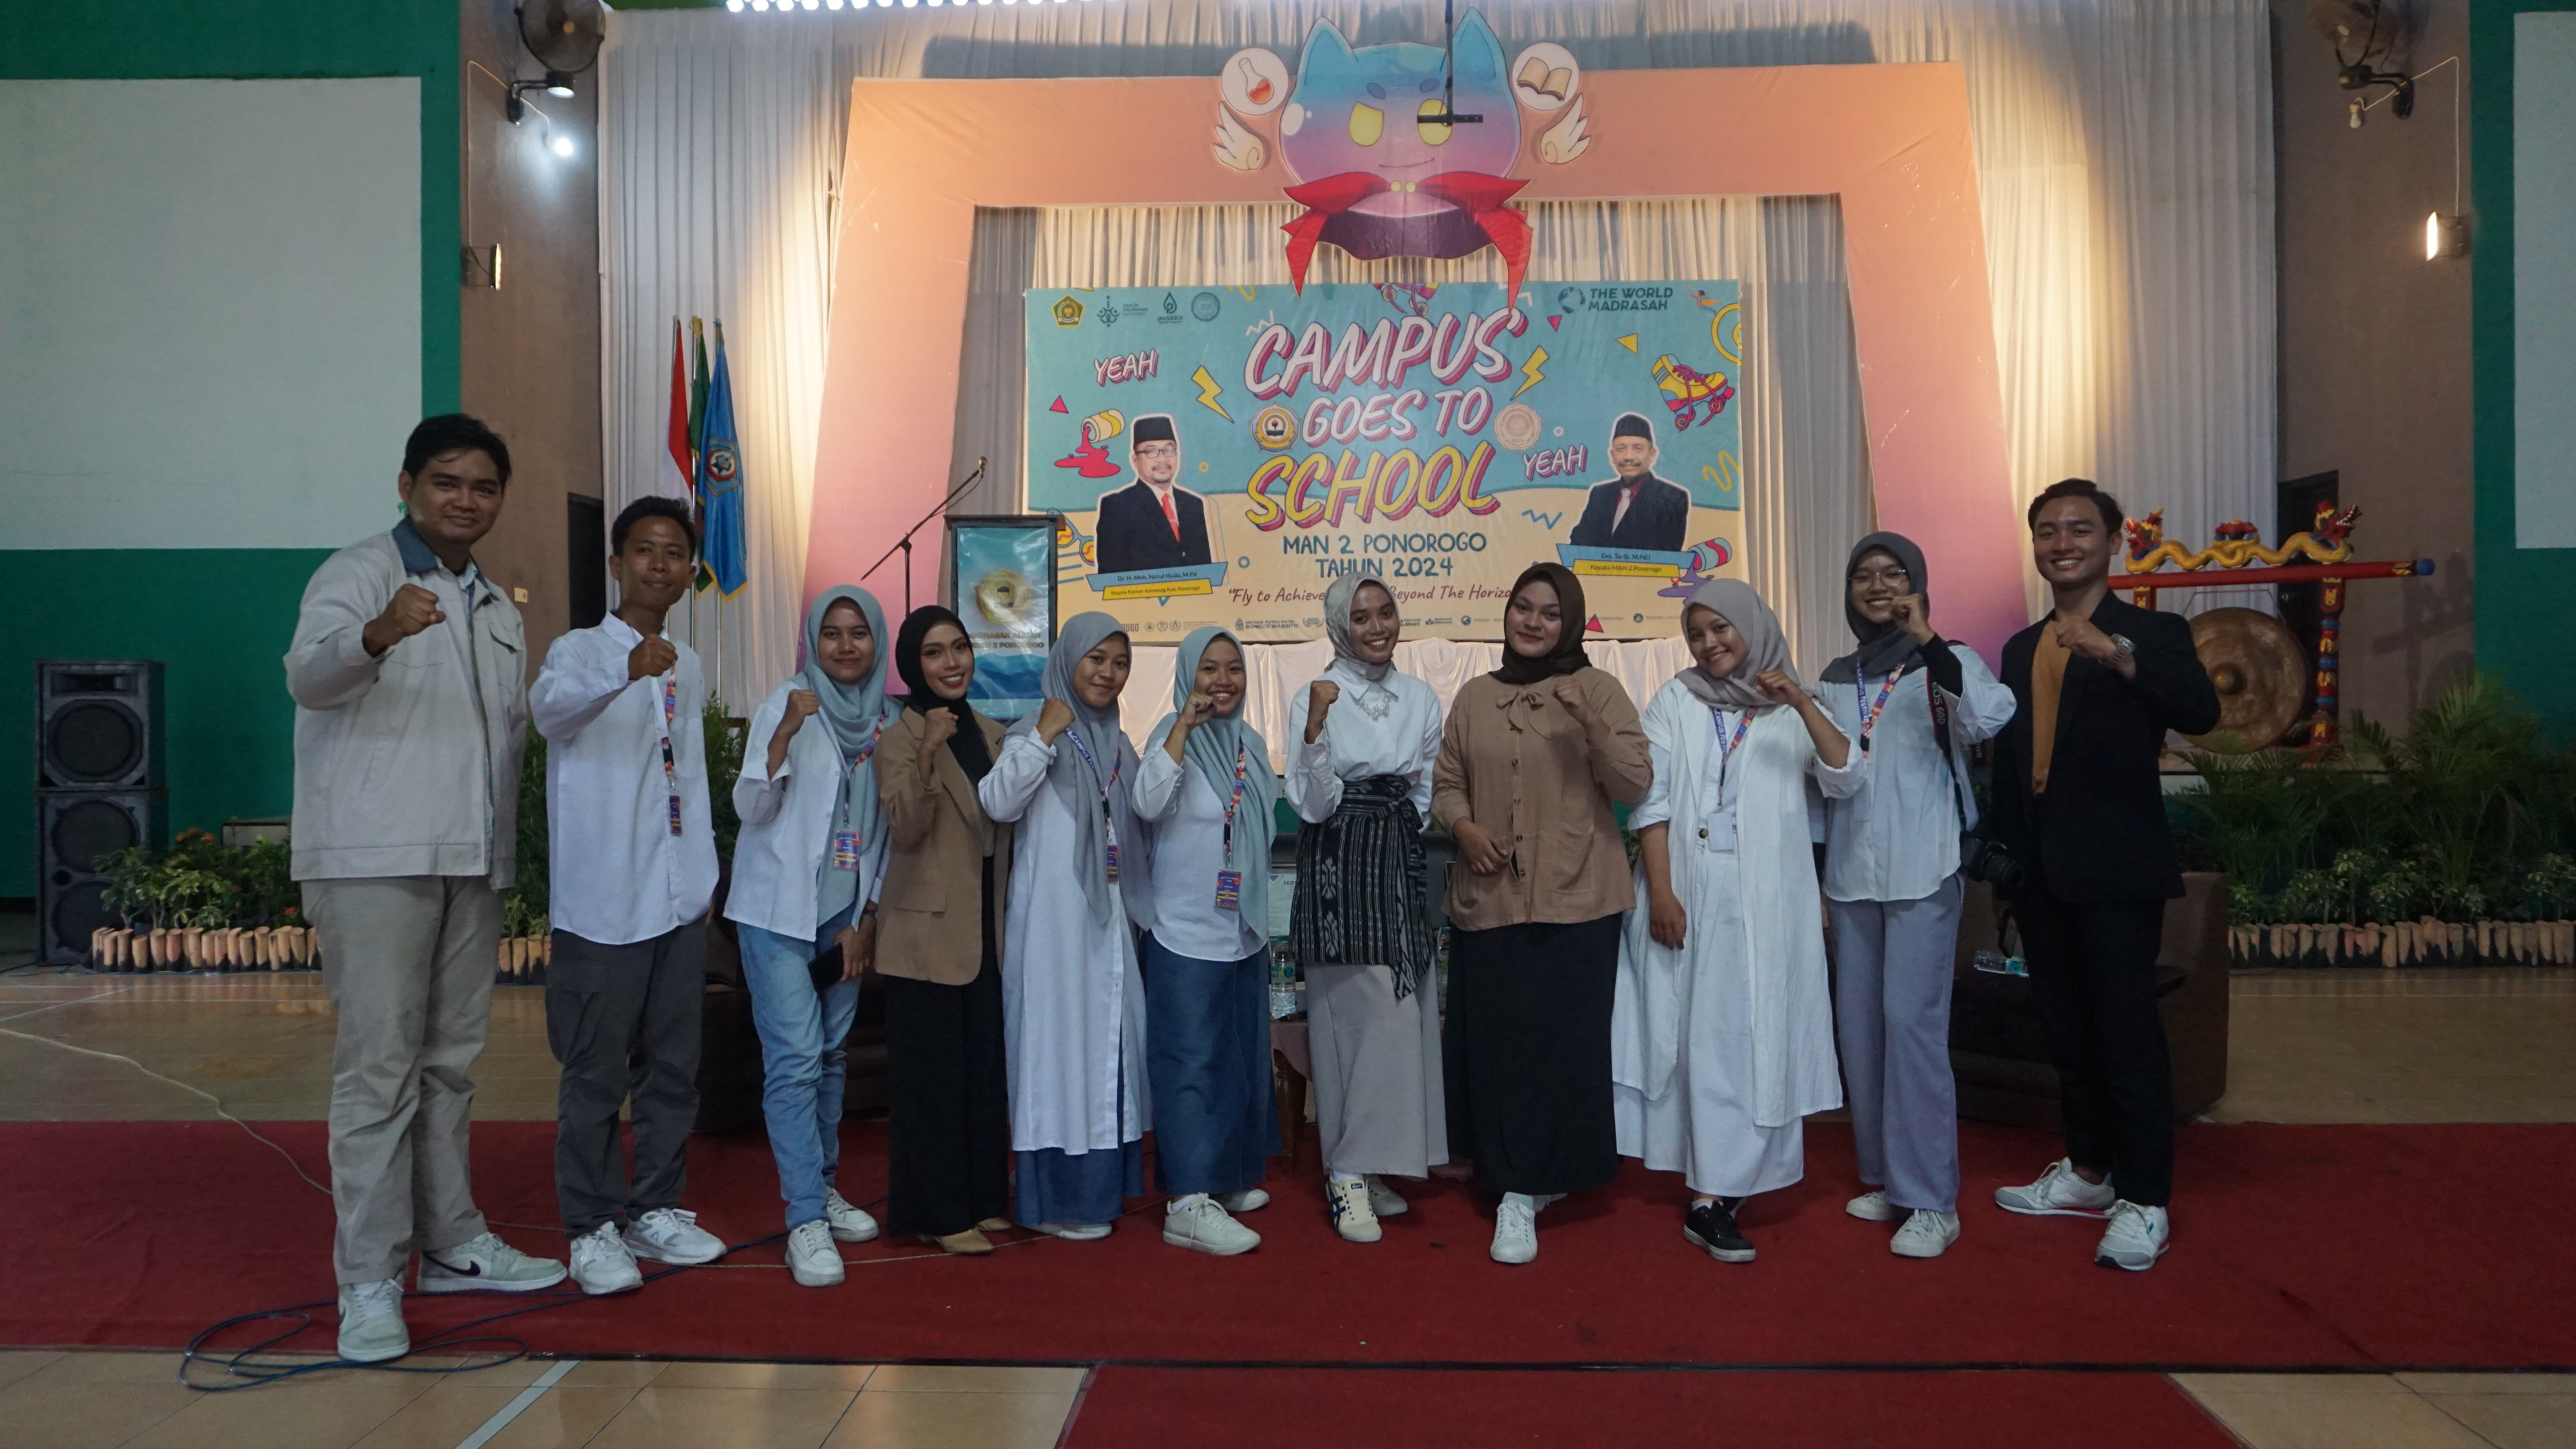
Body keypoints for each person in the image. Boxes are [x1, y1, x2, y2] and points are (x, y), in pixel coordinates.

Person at [285, 415, 565, 1364]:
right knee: (380, 1071)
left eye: (484, 486)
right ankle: (368, 1279)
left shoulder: (495, 605)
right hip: (374, 859)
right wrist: (376, 633)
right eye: (447, 482)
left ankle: (450, 1243)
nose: (465, 500)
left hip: (468, 862)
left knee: (450, 1064)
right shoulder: (360, 574)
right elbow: (308, 678)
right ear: (407, 485)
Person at [1988, 478, 2219, 1272]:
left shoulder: (2153, 632)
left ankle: (2145, 1199)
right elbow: (2013, 766)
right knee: (2067, 1033)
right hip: (2041, 874)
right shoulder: (2021, 648)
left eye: (2080, 529)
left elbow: (2201, 713)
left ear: (2114, 541)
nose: (2063, 544)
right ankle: (2088, 1173)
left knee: (2127, 1036)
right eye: (2048, 531)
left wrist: (2116, 656)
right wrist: (2006, 868)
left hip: (2118, 871)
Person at [1614, 579, 1860, 1266]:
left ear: (1752, 625)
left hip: (1766, 903)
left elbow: (1846, 775)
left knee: (1754, 1038)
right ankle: (1709, 1192)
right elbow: (1652, 802)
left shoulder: (1794, 705)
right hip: (1687, 896)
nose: (1709, 644)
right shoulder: (1677, 699)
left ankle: (1722, 1188)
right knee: (1696, 1038)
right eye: (1697, 634)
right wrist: (1663, 894)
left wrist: (1801, 703)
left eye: (1721, 628)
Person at [530, 497, 728, 1295]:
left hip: (675, 899)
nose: (659, 564)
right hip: (603, 905)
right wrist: (624, 669)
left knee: (673, 1067)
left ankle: (658, 1208)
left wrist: (702, 876)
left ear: (689, 572)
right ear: (616, 564)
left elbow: (690, 777)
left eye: (675, 553)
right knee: (594, 1074)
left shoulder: (689, 662)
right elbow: (549, 715)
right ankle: (590, 1226)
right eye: (644, 550)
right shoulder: (579, 650)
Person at [1434, 563, 1653, 1264]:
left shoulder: (1599, 689)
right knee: (1501, 1045)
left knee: (1564, 1046)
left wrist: (1588, 719)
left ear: (1572, 622)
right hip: (1491, 899)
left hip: (1578, 899)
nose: (1533, 622)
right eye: (1523, 608)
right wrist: (1465, 829)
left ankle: (1542, 1178)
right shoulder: (1475, 697)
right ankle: (1514, 1185)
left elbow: (1635, 783)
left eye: (1550, 613)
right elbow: (1446, 784)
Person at [1819, 534, 2018, 1259]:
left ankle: (1933, 1198)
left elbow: (1989, 718)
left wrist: (1927, 637)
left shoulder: (1945, 659)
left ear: (1918, 584)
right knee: (1861, 1031)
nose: (1878, 585)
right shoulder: (1835, 677)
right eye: (1863, 576)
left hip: (1924, 869)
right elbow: (1825, 777)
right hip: (1851, 874)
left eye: (1893, 573)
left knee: (1912, 1027)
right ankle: (1886, 1176)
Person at [726, 587, 897, 1288]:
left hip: (842, 919)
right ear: (813, 641)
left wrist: (866, 920)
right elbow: (750, 806)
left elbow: (884, 835)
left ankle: (822, 1187)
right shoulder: (788, 702)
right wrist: (783, 736)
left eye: (859, 633)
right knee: (795, 1059)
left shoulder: (886, 721)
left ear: (877, 641)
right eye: (832, 633)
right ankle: (803, 1218)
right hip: (776, 914)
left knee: (830, 1056)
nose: (846, 646)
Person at [1286, 573, 1450, 1244]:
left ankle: (1372, 1159)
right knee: (1352, 1017)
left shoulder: (1420, 697)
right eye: (1361, 617)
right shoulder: (1316, 693)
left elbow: (1426, 786)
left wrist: (1399, 835)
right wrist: (1316, 727)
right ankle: (1345, 1171)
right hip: (1339, 859)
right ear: (1338, 626)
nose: (1377, 627)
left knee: (1401, 1016)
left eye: (1386, 613)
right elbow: (1313, 803)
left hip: (1397, 858)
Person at [979, 612, 1154, 1237]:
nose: (1109, 673)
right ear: (1067, 661)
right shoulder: (1036, 730)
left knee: (1106, 1053)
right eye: (1096, 659)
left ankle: (1098, 1193)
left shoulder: (1120, 745)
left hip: (1109, 933)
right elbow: (998, 802)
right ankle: (1055, 1200)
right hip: (1052, 936)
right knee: (1056, 1058)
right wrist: (1043, 737)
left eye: (1120, 662)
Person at [1134, 627, 1282, 1255]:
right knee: (1189, 1064)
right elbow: (1147, 804)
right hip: (1183, 933)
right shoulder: (1170, 739)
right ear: (1187, 675)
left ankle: (1222, 1178)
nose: (1223, 681)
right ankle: (1187, 1202)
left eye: (1234, 669)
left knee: (1236, 1061)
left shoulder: (1250, 745)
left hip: (1240, 932)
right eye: (1209, 669)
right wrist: (1182, 730)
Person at [875, 606, 1017, 1256]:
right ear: (913, 664)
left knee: (982, 1073)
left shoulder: (992, 733)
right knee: (932, 1082)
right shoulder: (899, 739)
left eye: (960, 648)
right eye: (935, 653)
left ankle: (983, 1198)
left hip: (987, 927)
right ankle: (937, 1211)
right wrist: (929, 750)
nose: (952, 663)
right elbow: (906, 829)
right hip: (925, 936)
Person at [1093, 415, 1217, 575]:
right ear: (1135, 460)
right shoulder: (1117, 506)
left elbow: (1205, 569)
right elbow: (1110, 577)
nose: (1162, 459)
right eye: (1151, 451)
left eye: (1169, 450)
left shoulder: (1193, 504)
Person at [1567, 413, 1690, 553]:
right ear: (1612, 456)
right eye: (1621, 449)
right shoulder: (1600, 494)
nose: (1629, 457)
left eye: (1638, 449)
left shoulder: (1672, 498)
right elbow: (1579, 544)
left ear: (1652, 455)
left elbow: (1666, 554)